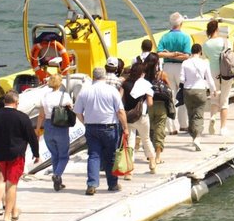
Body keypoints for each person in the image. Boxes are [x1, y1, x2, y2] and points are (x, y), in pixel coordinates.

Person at [0, 91, 40, 221]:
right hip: (16, 155)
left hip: (0, 156)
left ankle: (14, 211)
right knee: (11, 185)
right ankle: (7, 216)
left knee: (9, 182)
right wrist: (36, 153)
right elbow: (32, 137)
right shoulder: (22, 117)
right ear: (16, 103)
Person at [74, 67, 128, 195]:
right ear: (104, 76)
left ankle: (92, 184)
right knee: (110, 156)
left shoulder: (85, 91)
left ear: (93, 76)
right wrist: (125, 127)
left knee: (93, 155)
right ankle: (112, 184)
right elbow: (120, 111)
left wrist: (85, 122)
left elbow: (78, 112)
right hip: (109, 127)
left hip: (91, 127)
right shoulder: (112, 91)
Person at [36, 72, 73, 190]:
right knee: (64, 156)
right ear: (60, 83)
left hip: (48, 126)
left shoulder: (44, 97)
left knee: (54, 155)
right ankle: (57, 175)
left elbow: (41, 115)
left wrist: (37, 129)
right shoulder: (65, 96)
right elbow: (70, 108)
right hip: (61, 127)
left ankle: (58, 182)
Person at [157, 12, 191, 134]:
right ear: (181, 23)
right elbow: (187, 56)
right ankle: (184, 124)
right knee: (182, 96)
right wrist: (177, 55)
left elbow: (159, 53)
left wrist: (170, 54)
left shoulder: (165, 37)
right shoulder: (186, 37)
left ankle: (171, 127)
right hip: (181, 68)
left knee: (169, 97)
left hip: (167, 67)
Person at [122, 61, 156, 174]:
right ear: (142, 73)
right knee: (146, 139)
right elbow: (150, 103)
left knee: (130, 141)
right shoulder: (146, 84)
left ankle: (129, 169)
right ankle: (152, 162)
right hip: (142, 115)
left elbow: (119, 99)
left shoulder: (125, 83)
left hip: (128, 116)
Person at [181, 43, 216, 151]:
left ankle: (193, 136)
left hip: (187, 90)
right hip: (200, 90)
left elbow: (181, 79)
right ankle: (197, 138)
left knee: (190, 114)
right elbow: (209, 78)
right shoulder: (205, 63)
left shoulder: (185, 63)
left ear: (191, 52)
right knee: (199, 115)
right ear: (200, 52)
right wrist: (213, 90)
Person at [203, 18, 232, 136]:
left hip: (212, 72)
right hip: (225, 72)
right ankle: (223, 128)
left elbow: (205, 58)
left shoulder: (205, 44)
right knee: (224, 99)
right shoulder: (224, 41)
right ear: (217, 29)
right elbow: (230, 54)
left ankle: (213, 117)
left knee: (214, 98)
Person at [144, 56, 172, 165]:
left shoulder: (144, 75)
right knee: (160, 129)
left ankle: (149, 154)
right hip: (160, 104)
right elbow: (169, 88)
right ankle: (158, 157)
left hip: (147, 104)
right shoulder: (161, 74)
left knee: (149, 130)